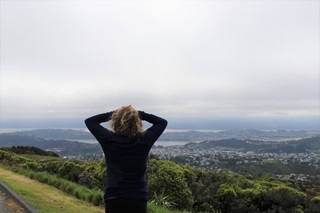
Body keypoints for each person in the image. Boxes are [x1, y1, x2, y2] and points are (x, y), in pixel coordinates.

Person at [85, 105, 167, 213]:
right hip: (138, 198)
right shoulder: (143, 141)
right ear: (137, 122)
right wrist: (137, 114)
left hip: (114, 197)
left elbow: (90, 121)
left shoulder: (109, 140)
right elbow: (162, 122)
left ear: (116, 121)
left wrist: (117, 113)